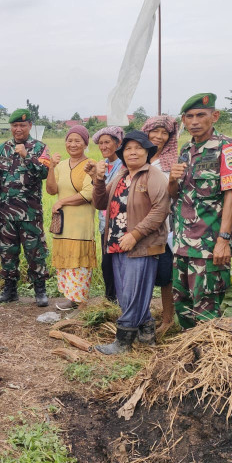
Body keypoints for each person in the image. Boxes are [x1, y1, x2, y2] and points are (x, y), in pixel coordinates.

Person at [91, 131, 169, 354]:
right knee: (126, 292)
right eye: (128, 149)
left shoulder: (152, 176)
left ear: (147, 152)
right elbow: (100, 203)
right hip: (117, 242)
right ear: (122, 154)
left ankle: (123, 342)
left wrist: (135, 234)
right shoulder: (120, 176)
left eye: (138, 148)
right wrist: (98, 179)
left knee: (135, 292)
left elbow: (160, 210)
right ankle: (147, 333)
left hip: (141, 245)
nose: (133, 152)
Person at [169, 93, 232, 329]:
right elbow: (176, 194)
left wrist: (223, 239)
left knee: (206, 307)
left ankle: (209, 357)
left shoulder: (227, 147)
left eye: (201, 115)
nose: (194, 121)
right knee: (182, 302)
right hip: (182, 243)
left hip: (209, 244)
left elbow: (231, 194)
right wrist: (171, 179)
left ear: (215, 116)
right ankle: (188, 353)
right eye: (189, 116)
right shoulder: (185, 149)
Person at [0, 108, 52, 306]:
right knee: (7, 253)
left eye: (22, 125)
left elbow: (44, 173)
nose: (18, 129)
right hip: (6, 213)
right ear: (11, 126)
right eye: (15, 125)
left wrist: (27, 155)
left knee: (35, 253)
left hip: (30, 213)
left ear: (30, 126)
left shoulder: (40, 148)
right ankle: (10, 289)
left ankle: (40, 290)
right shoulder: (2, 149)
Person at [46, 125, 96, 310]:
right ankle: (70, 298)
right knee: (66, 262)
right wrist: (51, 167)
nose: (73, 144)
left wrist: (62, 202)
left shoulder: (90, 164)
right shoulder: (61, 165)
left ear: (85, 143)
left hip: (80, 224)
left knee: (79, 263)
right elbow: (51, 190)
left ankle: (80, 302)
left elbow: (89, 193)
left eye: (77, 141)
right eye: (69, 140)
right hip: (63, 225)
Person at [141, 115, 179, 335]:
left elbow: (174, 193)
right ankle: (142, 316)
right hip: (137, 225)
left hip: (164, 225)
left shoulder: (171, 162)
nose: (159, 136)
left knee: (165, 274)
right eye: (155, 131)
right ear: (146, 131)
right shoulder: (137, 157)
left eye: (165, 133)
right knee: (141, 272)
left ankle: (167, 319)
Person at [91, 126, 124, 302]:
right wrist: (94, 176)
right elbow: (99, 192)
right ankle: (110, 299)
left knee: (119, 262)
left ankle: (121, 299)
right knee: (107, 263)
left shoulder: (124, 164)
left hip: (121, 222)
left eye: (107, 142)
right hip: (105, 222)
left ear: (118, 143)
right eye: (101, 143)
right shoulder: (103, 164)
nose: (103, 146)